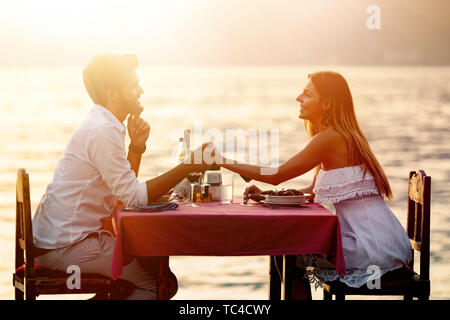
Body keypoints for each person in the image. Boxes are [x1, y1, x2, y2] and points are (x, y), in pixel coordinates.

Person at [32, 54, 211, 299]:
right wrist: (187, 166)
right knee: (158, 285)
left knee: (156, 272)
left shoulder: (105, 124)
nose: (141, 90)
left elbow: (122, 193)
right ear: (114, 94)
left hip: (62, 240)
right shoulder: (103, 130)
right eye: (133, 85)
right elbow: (133, 197)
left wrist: (136, 148)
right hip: (66, 247)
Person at [214, 71, 412, 290]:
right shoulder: (337, 135)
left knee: (288, 245)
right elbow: (313, 190)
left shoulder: (330, 138)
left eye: (307, 94)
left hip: (369, 245)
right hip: (378, 238)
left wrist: (221, 160)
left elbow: (277, 175)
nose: (298, 98)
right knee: (287, 244)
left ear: (326, 104)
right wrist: (268, 197)